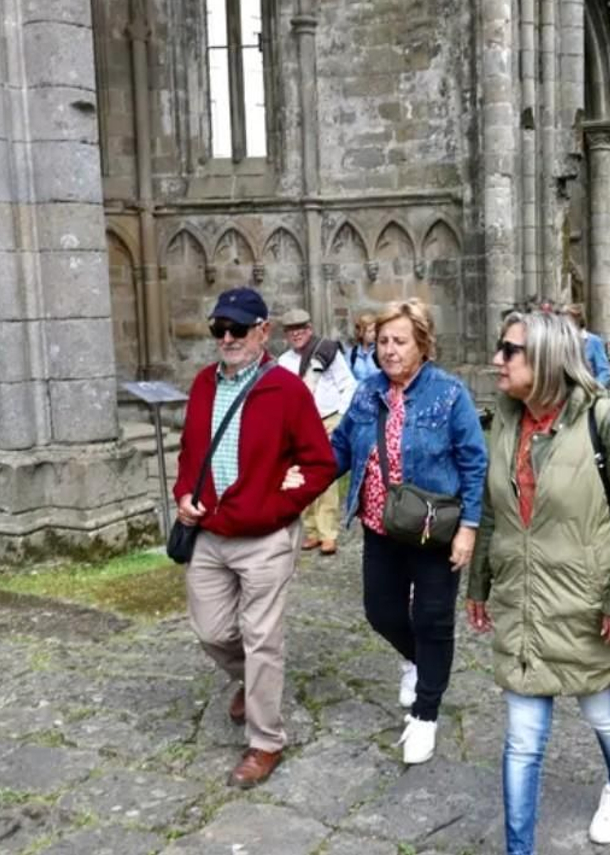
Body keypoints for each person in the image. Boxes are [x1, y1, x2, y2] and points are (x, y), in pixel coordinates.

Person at [468, 311, 610, 854]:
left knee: (601, 710)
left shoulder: (604, 419)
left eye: (510, 351)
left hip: (586, 601)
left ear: (548, 361)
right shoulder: (504, 417)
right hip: (522, 601)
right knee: (523, 739)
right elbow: (492, 505)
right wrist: (479, 583)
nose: (497, 360)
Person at [175, 287, 337, 787]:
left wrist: (280, 504)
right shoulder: (203, 384)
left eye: (238, 329)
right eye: (218, 329)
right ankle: (248, 681)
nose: (227, 338)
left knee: (262, 640)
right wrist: (184, 493)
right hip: (209, 531)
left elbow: (320, 462)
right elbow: (189, 451)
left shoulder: (287, 390)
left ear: (262, 331)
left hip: (266, 537)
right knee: (211, 631)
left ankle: (265, 743)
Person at [331, 298, 488, 765]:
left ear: (423, 344)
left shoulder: (449, 393)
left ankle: (425, 714)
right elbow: (340, 448)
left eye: (400, 341)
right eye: (383, 341)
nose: (390, 350)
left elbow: (474, 463)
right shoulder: (366, 393)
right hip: (381, 526)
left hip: (435, 529)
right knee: (380, 611)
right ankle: (418, 662)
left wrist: (470, 528)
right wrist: (300, 477)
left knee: (434, 619)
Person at [278, 309, 359, 555]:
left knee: (325, 476)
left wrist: (340, 417)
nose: (297, 333)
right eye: (292, 330)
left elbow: (348, 385)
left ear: (310, 329)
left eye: (302, 328)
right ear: (286, 335)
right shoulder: (283, 362)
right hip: (299, 424)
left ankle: (328, 534)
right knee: (301, 478)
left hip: (327, 420)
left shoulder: (327, 353)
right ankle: (311, 531)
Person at [563, 303, 610, 385]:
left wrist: (593, 388)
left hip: (587, 391)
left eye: (566, 320)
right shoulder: (561, 341)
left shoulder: (594, 341)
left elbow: (604, 372)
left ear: (577, 319)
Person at [348, 311, 378, 381]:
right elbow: (347, 378)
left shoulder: (379, 351)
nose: (374, 334)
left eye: (375, 331)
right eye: (370, 331)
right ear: (362, 333)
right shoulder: (352, 353)